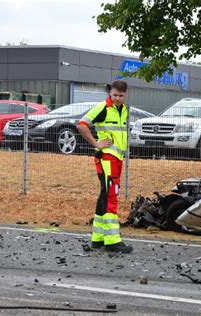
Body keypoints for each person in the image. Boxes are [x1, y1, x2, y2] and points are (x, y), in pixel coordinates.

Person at [77, 80, 133, 254]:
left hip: (116, 158)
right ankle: (112, 241)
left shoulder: (123, 109)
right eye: (114, 95)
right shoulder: (103, 107)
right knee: (111, 196)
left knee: (105, 194)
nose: (117, 98)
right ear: (110, 93)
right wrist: (96, 143)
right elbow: (81, 124)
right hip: (107, 158)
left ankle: (98, 238)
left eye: (121, 96)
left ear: (126, 95)